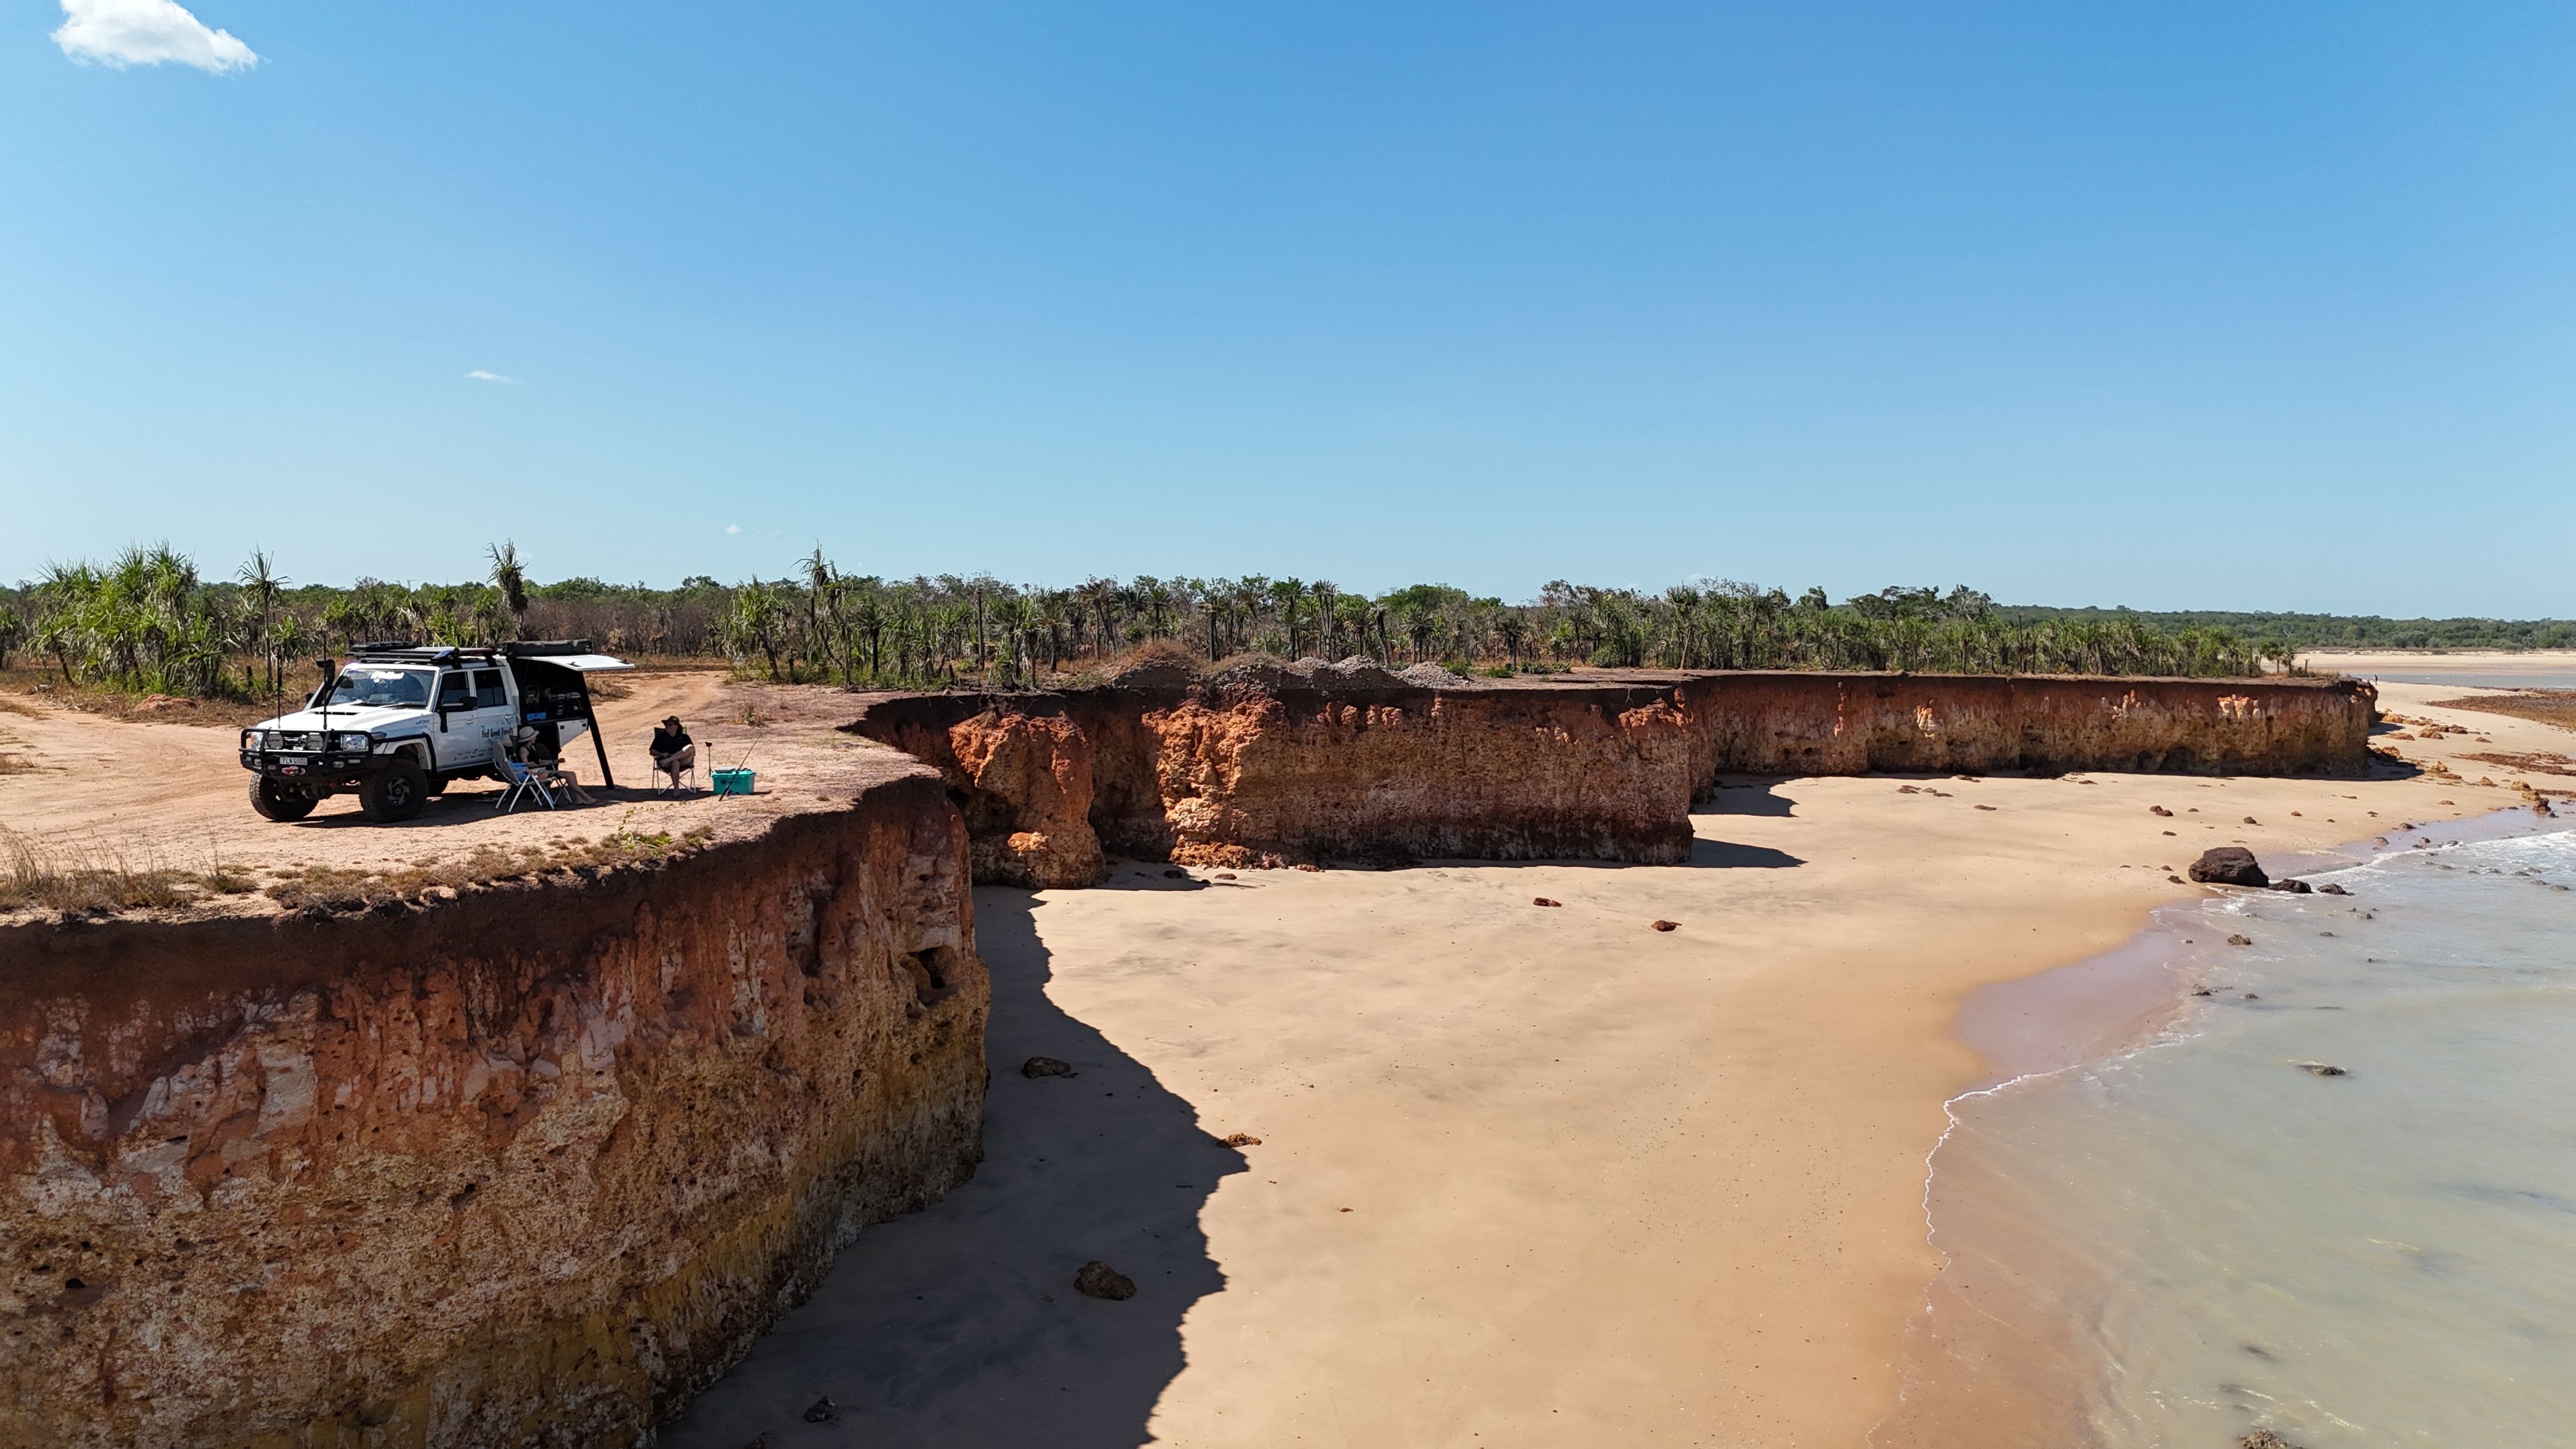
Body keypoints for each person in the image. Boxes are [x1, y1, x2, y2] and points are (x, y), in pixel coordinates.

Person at [650, 715, 695, 791]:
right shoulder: (661, 737)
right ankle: (676, 790)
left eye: (670, 724)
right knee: (675, 762)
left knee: (690, 747)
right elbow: (652, 751)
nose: (667, 726)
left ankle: (671, 759)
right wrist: (663, 755)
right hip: (665, 762)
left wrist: (672, 758)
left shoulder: (684, 736)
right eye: (666, 724)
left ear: (676, 726)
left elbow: (693, 751)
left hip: (682, 761)